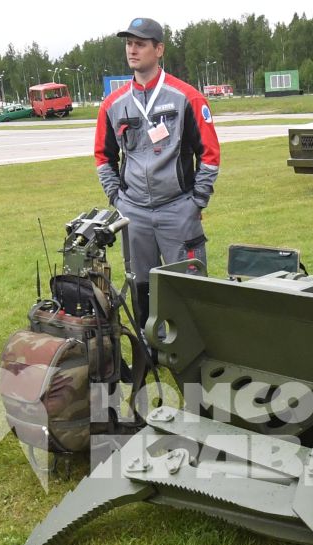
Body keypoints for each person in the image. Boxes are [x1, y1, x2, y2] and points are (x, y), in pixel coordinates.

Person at [93, 17, 221, 328]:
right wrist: (117, 199)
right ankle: (150, 350)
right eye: (128, 43)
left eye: (140, 44)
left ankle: (194, 352)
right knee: (142, 288)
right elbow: (103, 156)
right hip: (133, 213)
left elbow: (211, 155)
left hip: (178, 209)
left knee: (187, 287)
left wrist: (196, 202)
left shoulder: (187, 97)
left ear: (159, 49)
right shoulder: (112, 104)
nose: (132, 50)